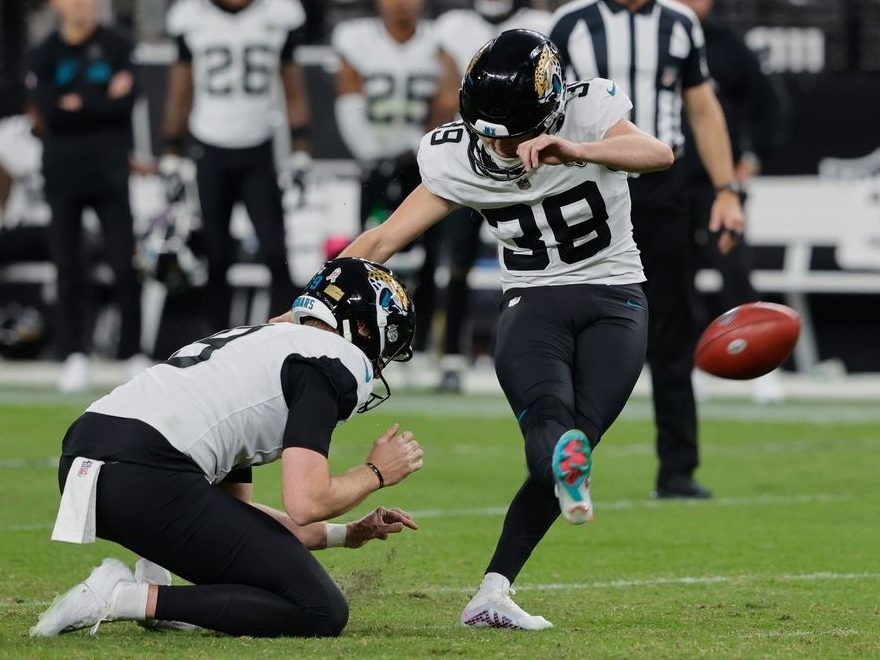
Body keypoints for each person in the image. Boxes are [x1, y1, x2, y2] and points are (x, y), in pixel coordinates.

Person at [277, 29, 674, 629]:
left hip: (616, 297)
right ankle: (508, 567)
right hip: (531, 304)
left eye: (517, 133)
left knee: (574, 445)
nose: (504, 147)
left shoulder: (590, 110)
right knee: (551, 428)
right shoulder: (455, 153)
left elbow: (659, 154)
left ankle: (493, 591)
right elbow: (382, 241)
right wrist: (308, 304)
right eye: (494, 132)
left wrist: (577, 150)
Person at [30, 257, 423, 638]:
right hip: (144, 470)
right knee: (320, 609)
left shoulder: (262, 347)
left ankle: (152, 576)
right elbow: (307, 502)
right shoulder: (332, 358)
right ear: (365, 328)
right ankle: (119, 596)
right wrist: (375, 472)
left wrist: (346, 534)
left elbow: (239, 517)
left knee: (262, 578)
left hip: (88, 456)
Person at [549, 0, 746, 499]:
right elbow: (547, 110)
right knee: (575, 321)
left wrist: (726, 190)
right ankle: (565, 457)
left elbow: (702, 109)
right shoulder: (572, 22)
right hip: (588, 186)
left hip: (662, 190)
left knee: (672, 326)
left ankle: (677, 469)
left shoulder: (679, 23)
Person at [162, 0, 310, 333]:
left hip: (258, 148)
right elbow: (180, 87)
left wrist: (302, 146)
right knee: (216, 256)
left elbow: (293, 85)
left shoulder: (278, 14)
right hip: (209, 146)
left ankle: (284, 338)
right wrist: (172, 149)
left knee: (276, 251)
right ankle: (214, 342)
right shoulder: (192, 17)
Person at [26, 0, 147, 392]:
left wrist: (77, 102)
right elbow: (49, 112)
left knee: (125, 265)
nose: (83, 5)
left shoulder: (117, 44)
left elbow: (126, 104)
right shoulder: (44, 52)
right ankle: (73, 354)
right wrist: (100, 98)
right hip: (62, 173)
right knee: (67, 267)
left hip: (110, 172)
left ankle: (132, 352)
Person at [431, 0, 552, 392]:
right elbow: (448, 95)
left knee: (541, 257)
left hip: (525, 152)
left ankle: (545, 354)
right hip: (474, 153)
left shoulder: (540, 22)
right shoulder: (455, 26)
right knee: (459, 262)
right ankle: (451, 355)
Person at [332, 0, 441, 366]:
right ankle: (362, 338)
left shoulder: (440, 40)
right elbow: (347, 102)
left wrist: (420, 147)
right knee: (369, 254)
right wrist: (375, 153)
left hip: (424, 166)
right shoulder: (355, 39)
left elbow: (448, 99)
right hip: (374, 167)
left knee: (429, 257)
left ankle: (421, 343)